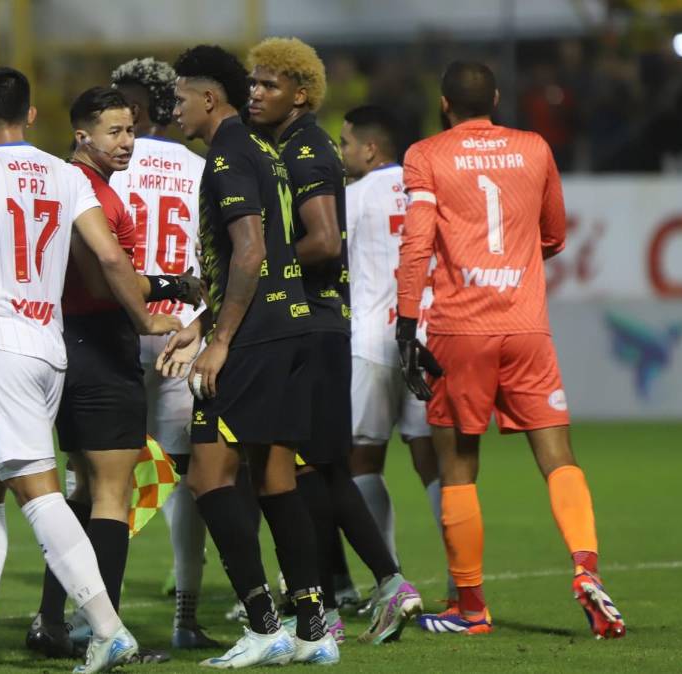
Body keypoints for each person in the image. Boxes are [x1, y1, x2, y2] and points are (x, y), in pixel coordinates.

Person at [0, 66, 179, 673]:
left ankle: (107, 628)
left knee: (39, 495)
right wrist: (146, 317)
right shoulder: (64, 175)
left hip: (0, 350)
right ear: (32, 114)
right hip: (50, 348)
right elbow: (109, 255)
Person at [397, 61, 625, 638]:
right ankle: (586, 568)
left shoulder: (425, 154)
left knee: (458, 466)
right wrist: (513, 263)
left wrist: (406, 325)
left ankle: (471, 609)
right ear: (496, 98)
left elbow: (417, 243)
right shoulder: (535, 147)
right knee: (558, 457)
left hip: (459, 330)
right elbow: (555, 234)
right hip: (526, 326)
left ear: (444, 104)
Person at [160, 44, 336, 667]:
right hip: (290, 327)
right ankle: (313, 630)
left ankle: (264, 625)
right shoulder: (264, 149)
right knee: (276, 479)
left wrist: (219, 341)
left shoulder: (229, 154)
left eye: (181, 98)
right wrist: (201, 322)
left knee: (207, 478)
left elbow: (251, 250)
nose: (174, 109)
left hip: (255, 339)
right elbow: (270, 256)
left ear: (209, 98)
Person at [247, 37, 422, 645]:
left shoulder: (306, 149)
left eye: (269, 85)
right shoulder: (302, 147)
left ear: (300, 94)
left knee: (302, 468)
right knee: (321, 468)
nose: (256, 93)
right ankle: (363, 589)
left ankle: (326, 600)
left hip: (318, 326)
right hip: (330, 326)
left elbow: (323, 241)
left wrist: (258, 269)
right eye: (253, 83)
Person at [27, 86, 194, 663]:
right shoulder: (89, 193)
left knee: (81, 489)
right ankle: (106, 632)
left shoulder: (65, 184)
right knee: (112, 495)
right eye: (115, 132)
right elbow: (104, 276)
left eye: (131, 131)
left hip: (65, 341)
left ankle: (52, 619)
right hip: (98, 343)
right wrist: (166, 292)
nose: (127, 143)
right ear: (83, 136)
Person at [108, 56, 218, 650]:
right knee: (184, 472)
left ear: (134, 108)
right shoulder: (200, 168)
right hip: (184, 331)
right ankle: (185, 617)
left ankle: (96, 614)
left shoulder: (109, 170)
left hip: (123, 330)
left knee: (102, 475)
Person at [338, 104, 456, 607]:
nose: (341, 153)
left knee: (362, 456)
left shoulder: (353, 196)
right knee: (433, 459)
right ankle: (461, 580)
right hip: (428, 337)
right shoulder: (430, 191)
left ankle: (390, 582)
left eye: (345, 143)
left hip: (371, 340)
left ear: (371, 148)